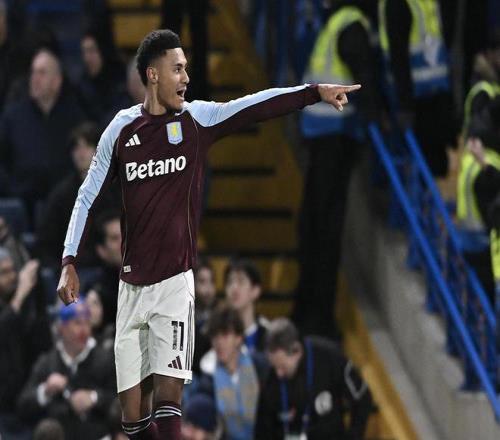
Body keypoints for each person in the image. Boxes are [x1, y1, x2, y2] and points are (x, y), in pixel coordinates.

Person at [56, 28, 360, 440]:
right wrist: (69, 260)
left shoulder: (196, 120)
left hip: (175, 283)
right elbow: (86, 197)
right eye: (177, 69)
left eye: (186, 68)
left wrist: (313, 92)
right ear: (152, 75)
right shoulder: (121, 130)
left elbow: (255, 106)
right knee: (133, 419)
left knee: (169, 403)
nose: (186, 77)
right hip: (132, 286)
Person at [293, 0, 382, 340]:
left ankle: (311, 315)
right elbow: (366, 81)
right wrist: (376, 119)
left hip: (325, 140)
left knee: (316, 230)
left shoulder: (339, 25)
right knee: (322, 232)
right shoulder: (350, 25)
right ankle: (314, 317)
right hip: (331, 141)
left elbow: (360, 81)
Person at [0, 48, 86, 215]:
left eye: (42, 73)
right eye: (33, 72)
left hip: (65, 204)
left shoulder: (74, 117)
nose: (35, 78)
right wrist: (11, 189)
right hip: (21, 203)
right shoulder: (12, 117)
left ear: (56, 81)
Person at [255, 318, 372, 439]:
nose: (278, 373)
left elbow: (363, 398)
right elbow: (263, 427)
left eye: (282, 367)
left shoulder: (329, 356)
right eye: (274, 366)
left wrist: (353, 436)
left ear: (297, 351)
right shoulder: (270, 375)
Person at [379, 0, 457, 177]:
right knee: (425, 168)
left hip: (437, 96)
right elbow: (398, 57)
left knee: (438, 167)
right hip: (415, 100)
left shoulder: (427, 3)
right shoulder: (398, 5)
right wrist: (405, 105)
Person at [18, 301, 116, 440]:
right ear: (62, 328)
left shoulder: (105, 359)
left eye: (87, 323)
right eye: (77, 323)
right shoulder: (47, 363)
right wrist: (46, 390)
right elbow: (23, 406)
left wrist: (95, 398)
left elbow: (120, 401)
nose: (84, 330)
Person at [36, 122, 120, 269]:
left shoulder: (117, 188)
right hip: (77, 267)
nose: (81, 153)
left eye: (87, 146)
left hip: (115, 263)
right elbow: (47, 241)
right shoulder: (61, 195)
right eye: (76, 148)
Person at [0, 248, 51, 440]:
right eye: (4, 272)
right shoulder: (16, 303)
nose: (12, 277)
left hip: (23, 400)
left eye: (13, 270)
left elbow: (43, 342)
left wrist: (35, 293)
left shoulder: (20, 306)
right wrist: (20, 294)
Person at [198, 304, 268, 439]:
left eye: (225, 335)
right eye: (215, 336)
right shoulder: (207, 379)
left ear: (239, 338)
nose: (219, 342)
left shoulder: (259, 367)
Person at [224, 258, 269, 353]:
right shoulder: (216, 334)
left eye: (241, 281)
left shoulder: (268, 334)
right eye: (230, 282)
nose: (234, 288)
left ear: (255, 290)